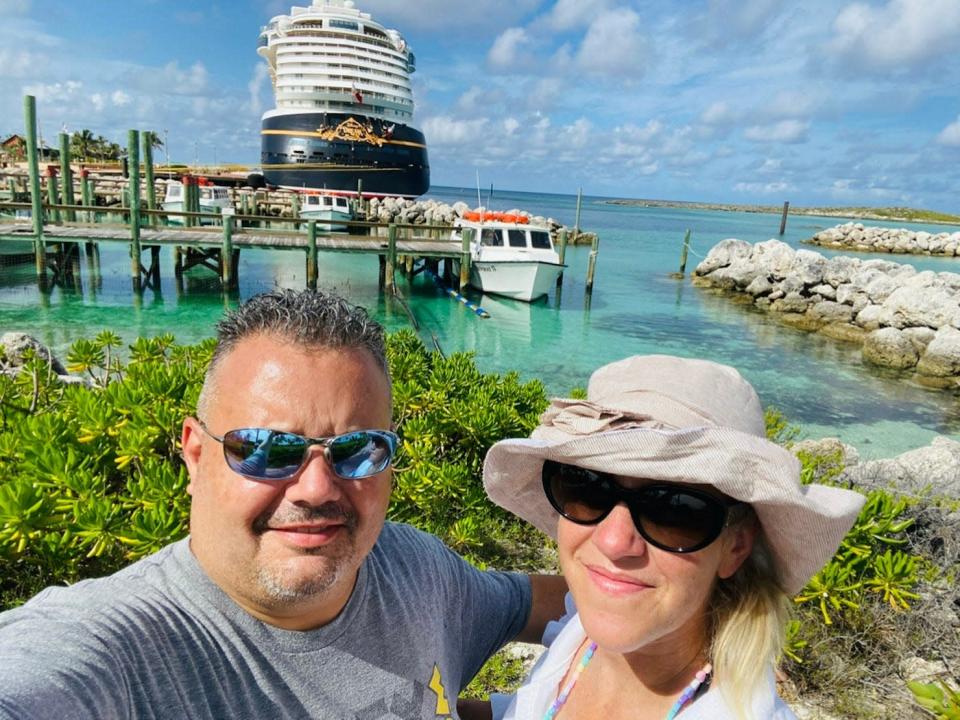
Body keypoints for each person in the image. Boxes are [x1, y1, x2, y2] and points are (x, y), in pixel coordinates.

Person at [0, 289, 565, 719]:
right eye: (267, 450)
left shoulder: (413, 569)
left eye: (358, 450)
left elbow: (534, 602)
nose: (316, 489)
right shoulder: (117, 650)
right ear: (196, 455)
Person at [477, 355, 865, 720]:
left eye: (674, 510)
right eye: (586, 487)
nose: (614, 542)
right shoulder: (579, 635)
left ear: (736, 547)